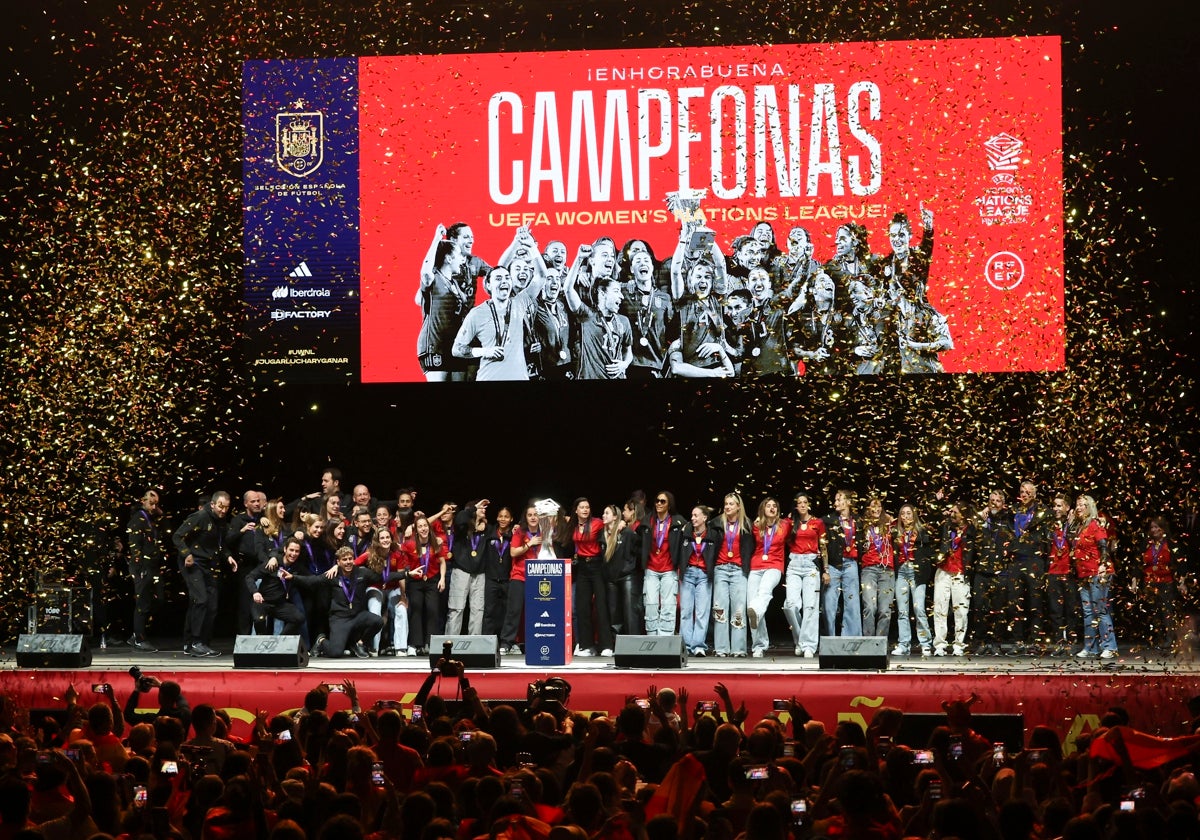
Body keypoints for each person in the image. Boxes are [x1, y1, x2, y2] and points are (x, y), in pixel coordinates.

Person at [284, 547, 384, 658]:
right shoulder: (333, 575)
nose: (348, 562)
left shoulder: (362, 572)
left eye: (350, 559)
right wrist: (293, 577)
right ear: (338, 562)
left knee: (378, 621)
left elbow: (381, 577)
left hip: (358, 616)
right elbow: (313, 581)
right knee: (335, 652)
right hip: (340, 619)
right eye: (344, 559)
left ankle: (360, 643)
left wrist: (405, 574)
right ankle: (321, 641)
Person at [172, 491, 238, 657]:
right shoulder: (200, 516)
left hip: (209, 564)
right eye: (221, 506)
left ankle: (199, 642)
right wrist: (186, 553)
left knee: (211, 605)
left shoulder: (221, 522)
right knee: (200, 600)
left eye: (227, 508)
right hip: (193, 563)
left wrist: (228, 556)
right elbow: (177, 536)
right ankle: (195, 642)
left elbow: (220, 545)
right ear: (213, 504)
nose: (223, 510)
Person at [451, 266, 537, 380]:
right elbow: (456, 349)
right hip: (489, 377)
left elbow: (541, 276)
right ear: (488, 285)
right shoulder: (477, 313)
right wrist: (484, 351)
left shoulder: (519, 303)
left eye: (507, 278)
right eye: (498, 278)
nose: (504, 281)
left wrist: (532, 248)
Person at [564, 266, 634, 380]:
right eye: (616, 291)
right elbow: (568, 289)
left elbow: (628, 351)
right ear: (602, 294)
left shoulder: (624, 321)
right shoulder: (587, 316)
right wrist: (579, 258)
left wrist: (624, 364)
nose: (621, 296)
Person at [1072, 494, 1117, 659]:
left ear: (1089, 507)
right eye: (1077, 504)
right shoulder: (1079, 527)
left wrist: (1103, 565)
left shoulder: (1094, 524)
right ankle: (1091, 647)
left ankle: (1110, 646)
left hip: (1098, 572)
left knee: (1101, 610)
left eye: (1082, 505)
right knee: (1088, 612)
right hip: (1084, 574)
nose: (1078, 508)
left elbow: (1103, 546)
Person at [619, 248, 674, 379]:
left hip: (656, 364)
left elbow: (670, 331)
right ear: (632, 269)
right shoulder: (624, 293)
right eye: (638, 261)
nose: (642, 263)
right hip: (630, 363)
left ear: (652, 267)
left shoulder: (664, 298)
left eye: (646, 260)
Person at [971, 489, 1015, 655]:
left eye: (998, 501)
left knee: (998, 609)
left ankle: (996, 642)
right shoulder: (981, 519)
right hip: (981, 571)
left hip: (1000, 571)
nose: (994, 503)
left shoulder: (1007, 519)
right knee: (979, 609)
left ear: (1003, 504)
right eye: (992, 500)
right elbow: (970, 535)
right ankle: (981, 642)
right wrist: (978, 518)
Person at [1010, 480, 1051, 654]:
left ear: (1034, 494)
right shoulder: (1013, 511)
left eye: (1028, 492)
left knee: (1035, 603)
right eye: (1022, 491)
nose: (1025, 494)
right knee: (1015, 603)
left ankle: (1035, 640)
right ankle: (1018, 640)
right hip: (1017, 560)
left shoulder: (1043, 513)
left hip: (1035, 561)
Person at [747, 497, 791, 657]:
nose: (772, 508)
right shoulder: (757, 525)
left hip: (774, 566)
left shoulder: (785, 525)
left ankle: (756, 611)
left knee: (764, 592)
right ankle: (759, 645)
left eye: (774, 506)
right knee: (751, 602)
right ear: (762, 509)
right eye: (768, 505)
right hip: (756, 566)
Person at [783, 493, 825, 658]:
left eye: (805, 502)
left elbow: (824, 546)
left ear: (809, 505)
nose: (802, 505)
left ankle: (808, 645)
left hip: (811, 564)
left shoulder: (818, 522)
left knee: (810, 607)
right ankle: (800, 639)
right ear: (795, 506)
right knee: (790, 605)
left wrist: (826, 569)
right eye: (799, 502)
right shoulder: (789, 522)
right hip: (794, 564)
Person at [711, 492, 753, 657]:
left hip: (738, 570)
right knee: (720, 610)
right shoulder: (715, 523)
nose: (727, 507)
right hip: (720, 569)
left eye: (731, 504)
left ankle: (738, 649)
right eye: (726, 503)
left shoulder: (747, 525)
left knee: (738, 610)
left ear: (738, 506)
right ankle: (721, 649)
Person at [570, 498, 612, 656]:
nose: (585, 510)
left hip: (596, 566)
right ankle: (586, 646)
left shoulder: (597, 523)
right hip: (581, 567)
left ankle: (606, 645)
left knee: (601, 606)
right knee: (582, 607)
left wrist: (620, 524)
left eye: (587, 507)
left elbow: (611, 526)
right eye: (582, 507)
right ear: (576, 510)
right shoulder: (571, 524)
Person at [401, 514, 448, 655]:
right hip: (415, 582)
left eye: (425, 526)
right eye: (420, 526)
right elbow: (401, 557)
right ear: (416, 529)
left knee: (433, 611)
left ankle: (431, 643)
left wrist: (442, 579)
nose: (423, 528)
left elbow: (443, 561)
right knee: (416, 611)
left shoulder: (435, 543)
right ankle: (415, 645)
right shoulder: (410, 544)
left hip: (432, 580)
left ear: (429, 527)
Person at [358, 528, 409, 656]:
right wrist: (337, 566)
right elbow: (352, 564)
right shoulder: (370, 554)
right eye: (382, 538)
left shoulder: (397, 554)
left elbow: (401, 576)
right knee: (375, 612)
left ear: (391, 539)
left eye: (388, 537)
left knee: (402, 610)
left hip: (392, 588)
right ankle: (374, 648)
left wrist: (403, 597)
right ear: (377, 540)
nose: (385, 540)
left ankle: (401, 648)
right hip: (375, 587)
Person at [892, 504, 934, 657]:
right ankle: (904, 644)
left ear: (914, 516)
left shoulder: (922, 532)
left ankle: (925, 643)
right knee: (902, 611)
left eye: (909, 513)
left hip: (917, 573)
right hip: (902, 572)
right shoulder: (896, 533)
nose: (906, 516)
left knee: (919, 609)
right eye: (902, 513)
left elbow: (928, 554)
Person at [642, 491, 686, 636]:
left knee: (668, 605)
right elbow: (636, 536)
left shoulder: (678, 522)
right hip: (651, 568)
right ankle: (652, 638)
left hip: (668, 568)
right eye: (657, 501)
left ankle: (665, 638)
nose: (659, 504)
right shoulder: (648, 520)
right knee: (650, 605)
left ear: (669, 504)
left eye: (663, 501)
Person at [125, 489, 164, 652]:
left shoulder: (152, 518)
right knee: (142, 602)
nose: (154, 506)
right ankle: (139, 638)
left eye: (156, 503)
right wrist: (139, 567)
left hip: (153, 566)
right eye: (151, 503)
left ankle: (136, 635)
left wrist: (160, 513)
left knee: (157, 599)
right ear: (142, 501)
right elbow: (135, 545)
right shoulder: (137, 520)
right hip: (142, 567)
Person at [1135, 516, 1181, 651]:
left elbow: (1179, 563)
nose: (1154, 530)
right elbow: (1138, 563)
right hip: (1149, 583)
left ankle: (1169, 639)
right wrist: (1134, 579)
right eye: (1152, 528)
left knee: (1166, 611)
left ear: (1163, 529)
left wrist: (1182, 581)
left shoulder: (1170, 543)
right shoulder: (1147, 543)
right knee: (1153, 612)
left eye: (1156, 527)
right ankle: (1156, 638)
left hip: (1166, 582)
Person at [245, 536, 307, 637]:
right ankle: (263, 643)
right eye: (291, 550)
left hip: (279, 604)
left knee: (299, 618)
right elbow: (250, 577)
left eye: (297, 551)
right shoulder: (272, 563)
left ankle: (279, 641)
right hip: (263, 602)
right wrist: (255, 592)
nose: (293, 554)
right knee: (258, 620)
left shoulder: (297, 566)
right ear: (285, 549)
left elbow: (311, 578)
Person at [933, 503, 974, 656]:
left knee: (961, 611)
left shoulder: (971, 530)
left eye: (955, 512)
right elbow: (932, 514)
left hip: (961, 573)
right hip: (943, 571)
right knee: (940, 609)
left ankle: (959, 644)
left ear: (964, 514)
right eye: (951, 511)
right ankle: (940, 645)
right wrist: (935, 500)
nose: (952, 514)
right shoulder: (946, 527)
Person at [501, 503, 542, 655]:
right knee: (514, 610)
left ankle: (536, 642)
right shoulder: (520, 532)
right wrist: (529, 544)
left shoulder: (545, 532)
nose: (533, 517)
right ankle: (506, 642)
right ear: (525, 517)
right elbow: (513, 552)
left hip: (538, 576)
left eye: (535, 514)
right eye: (530, 515)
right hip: (519, 575)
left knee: (537, 612)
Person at [822, 489, 863, 637]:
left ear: (849, 502)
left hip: (851, 564)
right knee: (829, 604)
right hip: (833, 565)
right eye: (835, 500)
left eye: (839, 499)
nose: (836, 503)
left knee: (852, 603)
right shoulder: (828, 520)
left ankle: (851, 639)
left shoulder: (858, 520)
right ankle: (829, 639)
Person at [445, 500, 488, 636]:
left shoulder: (488, 529)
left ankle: (474, 645)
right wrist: (473, 508)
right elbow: (459, 518)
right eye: (481, 507)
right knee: (456, 608)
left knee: (478, 610)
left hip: (480, 574)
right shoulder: (462, 528)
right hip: (461, 571)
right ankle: (450, 644)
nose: (484, 509)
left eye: (484, 508)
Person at [680, 504, 717, 657]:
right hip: (688, 573)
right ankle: (686, 646)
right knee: (686, 611)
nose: (693, 518)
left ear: (705, 518)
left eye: (696, 515)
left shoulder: (713, 534)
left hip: (703, 575)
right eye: (692, 515)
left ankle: (698, 645)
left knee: (702, 612)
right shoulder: (686, 532)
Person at [1044, 492, 1078, 655]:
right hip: (1052, 572)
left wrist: (1071, 526)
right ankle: (1059, 641)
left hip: (1069, 572)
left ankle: (1071, 641)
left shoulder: (1074, 525)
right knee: (1055, 609)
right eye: (1054, 505)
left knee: (1071, 608)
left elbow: (1077, 545)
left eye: (1059, 505)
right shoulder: (1048, 524)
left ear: (1067, 507)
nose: (1056, 508)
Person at [858, 497, 896, 638]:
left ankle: (880, 643)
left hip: (887, 570)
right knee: (869, 607)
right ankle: (868, 643)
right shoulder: (862, 525)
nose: (876, 509)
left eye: (879, 506)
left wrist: (890, 519)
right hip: (869, 569)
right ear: (867, 509)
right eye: (872, 506)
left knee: (885, 610)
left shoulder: (889, 525)